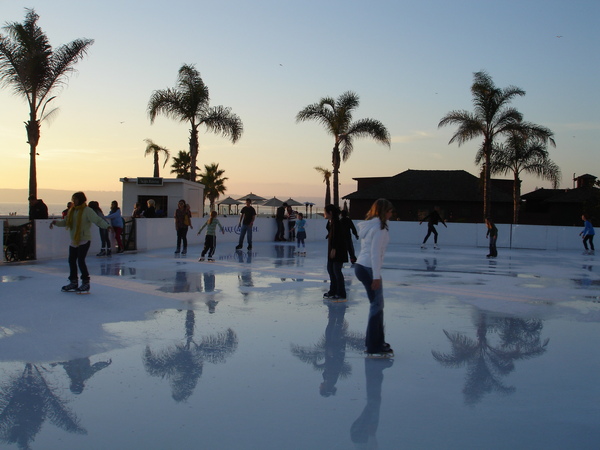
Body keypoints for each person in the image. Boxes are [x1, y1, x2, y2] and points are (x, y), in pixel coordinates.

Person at [354, 198, 394, 356]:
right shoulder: (379, 228)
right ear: (384, 211)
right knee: (376, 305)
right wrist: (376, 277)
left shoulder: (371, 225)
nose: (391, 214)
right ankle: (373, 345)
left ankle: (377, 341)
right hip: (369, 268)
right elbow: (375, 253)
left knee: (377, 305)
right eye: (390, 211)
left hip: (362, 266)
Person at [49, 191, 112, 293]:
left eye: (76, 199)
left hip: (84, 239)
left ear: (81, 199)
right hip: (74, 240)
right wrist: (55, 222)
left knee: (80, 261)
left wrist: (107, 226)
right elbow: (66, 222)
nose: (74, 201)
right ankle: (73, 282)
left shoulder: (87, 210)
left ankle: (85, 283)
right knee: (71, 260)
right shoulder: (72, 211)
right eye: (73, 199)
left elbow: (97, 220)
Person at [323, 204, 347, 300]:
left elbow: (338, 237)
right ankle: (333, 291)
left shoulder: (337, 223)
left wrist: (334, 249)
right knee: (331, 270)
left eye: (325, 212)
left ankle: (341, 293)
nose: (324, 214)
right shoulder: (331, 222)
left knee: (336, 271)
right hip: (332, 250)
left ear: (330, 213)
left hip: (337, 250)